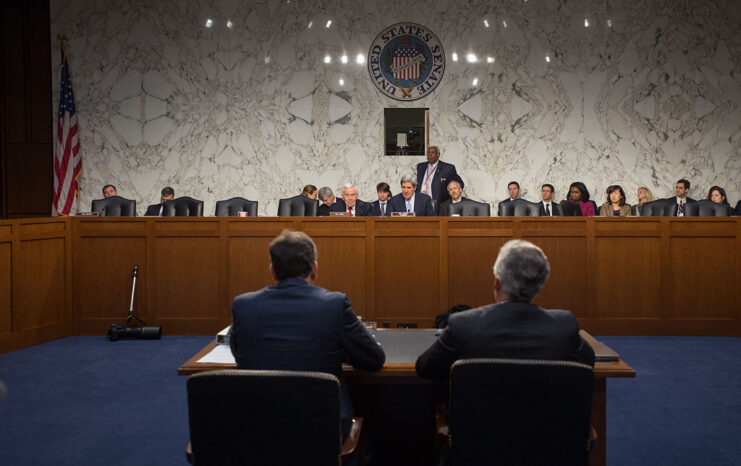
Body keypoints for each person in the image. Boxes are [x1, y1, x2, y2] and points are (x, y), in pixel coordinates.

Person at [229, 230, 385, 438]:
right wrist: (338, 349)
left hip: (258, 427)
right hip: (324, 430)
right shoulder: (334, 305)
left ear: (273, 272)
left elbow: (240, 354)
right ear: (315, 269)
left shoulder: (243, 306)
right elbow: (373, 359)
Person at [415, 239, 595, 382]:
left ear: (496, 283)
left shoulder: (463, 325)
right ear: (540, 284)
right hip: (547, 427)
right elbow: (588, 362)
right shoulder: (564, 326)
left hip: (479, 428)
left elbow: (425, 368)